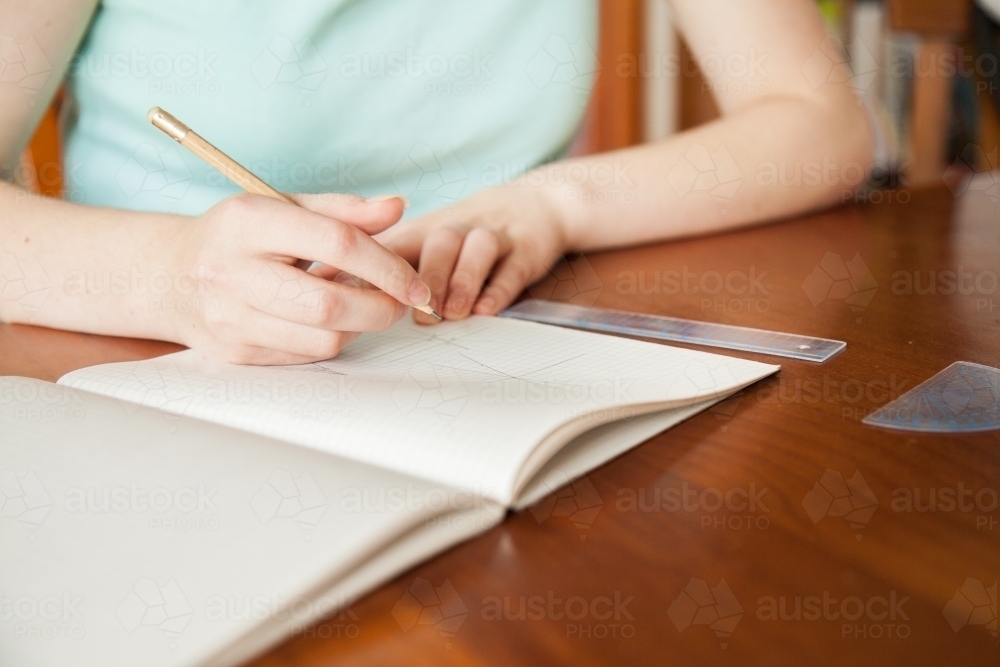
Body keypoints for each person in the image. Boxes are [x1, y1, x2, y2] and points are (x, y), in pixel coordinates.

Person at [0, 0, 872, 365]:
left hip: (499, 354)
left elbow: (819, 120)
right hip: (133, 365)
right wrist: (170, 275)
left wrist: (553, 201)